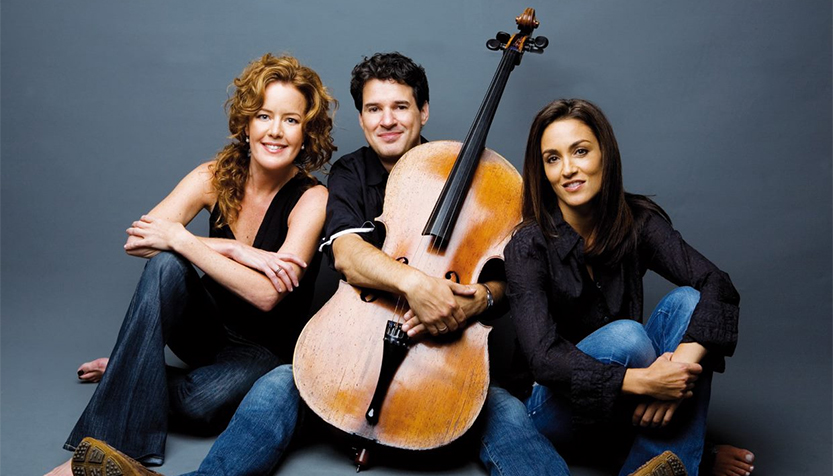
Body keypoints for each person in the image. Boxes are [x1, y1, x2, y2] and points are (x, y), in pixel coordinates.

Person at [67, 57, 688, 476]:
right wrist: (412, 282)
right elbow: (347, 253)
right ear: (361, 116)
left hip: (448, 358)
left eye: (400, 108)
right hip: (352, 346)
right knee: (278, 385)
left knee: (499, 410)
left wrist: (470, 302)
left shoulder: (468, 177)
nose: (386, 120)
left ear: (422, 112)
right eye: (373, 109)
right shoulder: (348, 175)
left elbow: (506, 274)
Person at [45, 53, 336, 476]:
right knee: (165, 265)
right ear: (246, 123)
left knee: (202, 407)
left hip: (261, 350)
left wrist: (185, 239)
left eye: (291, 120)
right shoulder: (213, 177)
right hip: (205, 328)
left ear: (307, 132)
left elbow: (268, 294)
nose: (275, 131)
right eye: (263, 116)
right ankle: (100, 451)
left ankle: (134, 369)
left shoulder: (312, 199)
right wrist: (233, 250)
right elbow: (138, 242)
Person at [499, 98, 754, 476]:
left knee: (689, 300)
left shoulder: (637, 221)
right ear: (543, 170)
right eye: (552, 159)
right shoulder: (527, 245)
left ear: (606, 154)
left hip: (625, 407)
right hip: (552, 410)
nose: (568, 169)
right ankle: (689, 455)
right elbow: (544, 359)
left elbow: (718, 283)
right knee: (627, 338)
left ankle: (652, 466)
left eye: (581, 151)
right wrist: (645, 381)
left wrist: (677, 373)